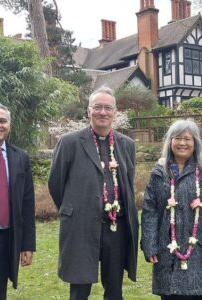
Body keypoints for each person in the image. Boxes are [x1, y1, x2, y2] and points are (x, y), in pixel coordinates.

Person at [48, 85, 139, 300]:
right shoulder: (69, 142)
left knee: (115, 290)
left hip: (116, 227)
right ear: (88, 111)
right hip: (81, 225)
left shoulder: (126, 145)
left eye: (108, 108)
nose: (103, 112)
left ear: (115, 113)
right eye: (97, 107)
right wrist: (75, 208)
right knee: (79, 290)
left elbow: (128, 182)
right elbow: (56, 184)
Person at [141, 119, 202, 300]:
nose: (182, 143)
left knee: (200, 292)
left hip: (201, 254)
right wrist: (150, 245)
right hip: (168, 252)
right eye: (177, 138)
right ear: (170, 142)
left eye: (188, 139)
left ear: (195, 143)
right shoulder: (159, 172)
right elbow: (150, 211)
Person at [0, 103, 35, 300]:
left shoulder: (21, 158)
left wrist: (27, 244)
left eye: (2, 121)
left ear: (9, 126)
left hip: (6, 238)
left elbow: (28, 205)